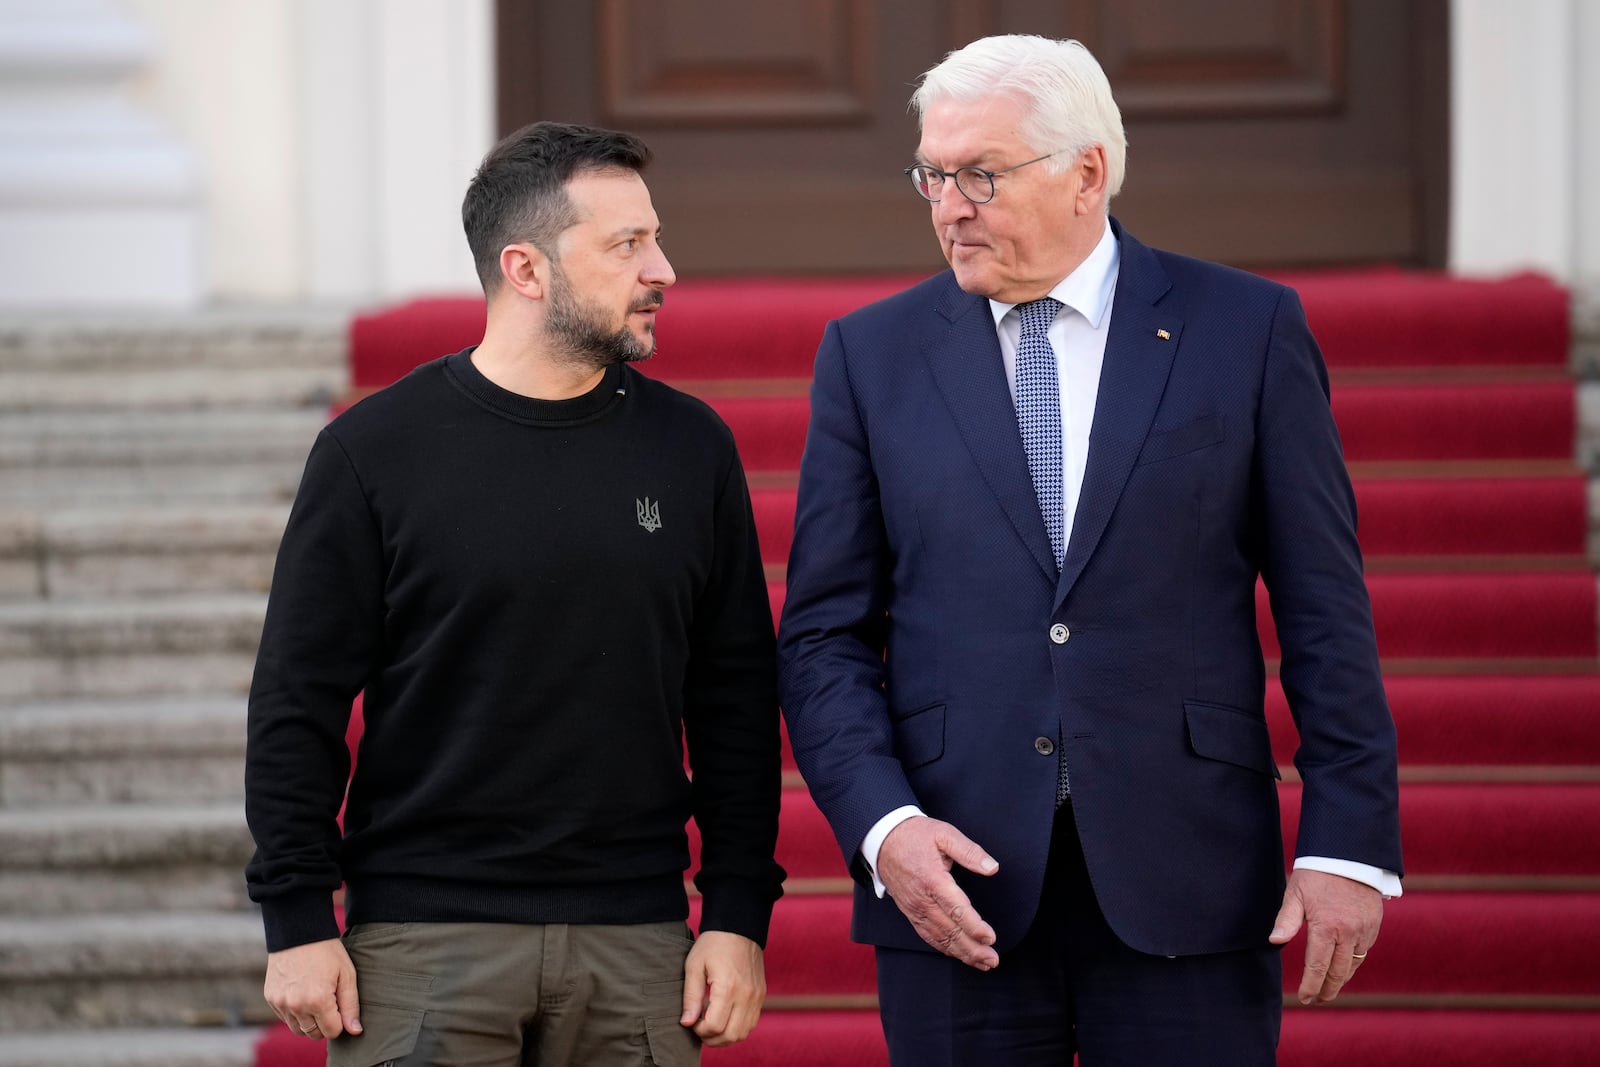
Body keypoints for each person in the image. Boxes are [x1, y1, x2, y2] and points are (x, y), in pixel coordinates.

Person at [777, 34, 1402, 1066]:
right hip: (956, 881)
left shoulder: (1243, 328)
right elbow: (822, 635)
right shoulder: (869, 353)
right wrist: (883, 824)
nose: (948, 204)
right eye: (932, 174)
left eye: (980, 173)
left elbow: (1323, 607)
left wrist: (1347, 839)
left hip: (1187, 871)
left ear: (1087, 173)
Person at [245, 120, 784, 1066]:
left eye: (654, 237)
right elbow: (298, 699)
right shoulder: (374, 452)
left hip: (639, 945)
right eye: (628, 244)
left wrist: (736, 912)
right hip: (421, 944)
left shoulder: (693, 449)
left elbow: (735, 697)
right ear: (526, 270)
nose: (663, 268)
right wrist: (296, 914)